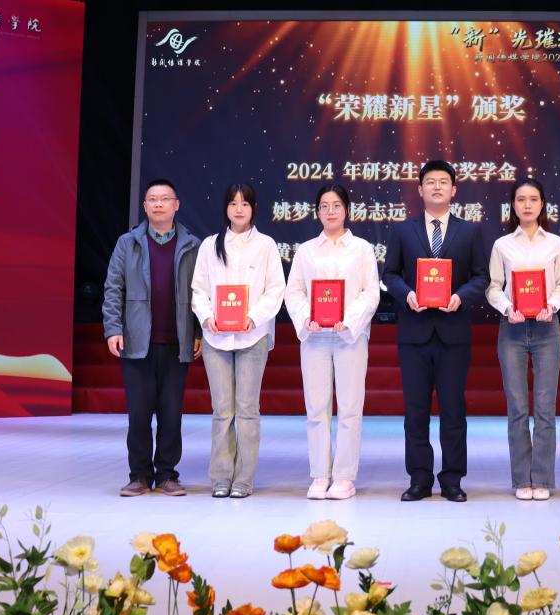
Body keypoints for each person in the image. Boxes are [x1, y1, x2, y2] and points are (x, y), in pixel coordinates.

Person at [383, 159, 489, 502]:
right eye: (430, 181)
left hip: (453, 333)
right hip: (414, 334)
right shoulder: (403, 231)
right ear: (420, 189)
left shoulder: (470, 231)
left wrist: (461, 297)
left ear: (454, 190)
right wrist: (407, 295)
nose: (437, 187)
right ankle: (419, 479)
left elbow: (481, 277)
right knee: (415, 411)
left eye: (444, 181)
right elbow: (390, 275)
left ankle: (453, 479)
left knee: (454, 410)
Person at [103, 178, 201, 497]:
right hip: (137, 343)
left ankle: (168, 474)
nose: (158, 204)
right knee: (139, 415)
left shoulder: (193, 245)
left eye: (165, 199)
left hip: (176, 343)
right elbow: (113, 288)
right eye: (152, 199)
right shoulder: (127, 243)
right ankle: (140, 476)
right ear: (144, 206)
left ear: (176, 205)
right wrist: (113, 328)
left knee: (172, 415)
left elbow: (201, 294)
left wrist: (198, 332)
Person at [284, 183, 380, 500]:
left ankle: (344, 477)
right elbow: (294, 292)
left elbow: (370, 292)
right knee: (316, 408)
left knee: (350, 408)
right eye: (324, 206)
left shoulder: (362, 249)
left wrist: (348, 320)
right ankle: (319, 475)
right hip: (315, 337)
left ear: (346, 210)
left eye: (336, 205)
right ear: (317, 211)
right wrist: (306, 318)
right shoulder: (306, 250)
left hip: (349, 337)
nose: (330, 211)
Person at [190, 183, 285, 498]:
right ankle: (221, 477)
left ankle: (244, 478)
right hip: (217, 338)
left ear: (254, 208)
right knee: (222, 410)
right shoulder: (209, 245)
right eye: (233, 203)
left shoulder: (266, 245)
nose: (239, 209)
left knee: (246, 410)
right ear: (226, 208)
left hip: (252, 337)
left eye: (245, 203)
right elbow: (199, 289)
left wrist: (253, 317)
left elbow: (276, 289)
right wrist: (207, 317)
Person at [486, 177, 560, 501]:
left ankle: (543, 479)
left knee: (546, 408)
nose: (527, 205)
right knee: (518, 408)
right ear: (513, 205)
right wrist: (508, 308)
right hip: (513, 329)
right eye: (521, 199)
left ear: (542, 204)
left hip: (547, 329)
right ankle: (522, 479)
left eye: (533, 199)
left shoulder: (557, 244)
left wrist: (553, 305)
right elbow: (493, 287)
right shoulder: (502, 245)